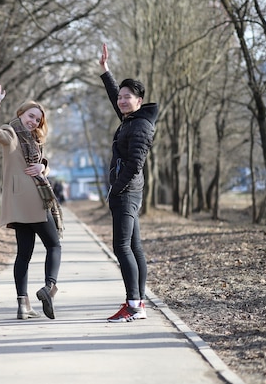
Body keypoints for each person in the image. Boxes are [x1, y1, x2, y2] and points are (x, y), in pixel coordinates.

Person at [0, 83, 64, 320]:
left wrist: (44, 166)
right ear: (20, 113)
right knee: (54, 245)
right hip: (32, 201)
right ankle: (49, 288)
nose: (34, 122)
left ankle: (23, 305)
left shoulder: (34, 141)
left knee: (24, 254)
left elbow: (37, 167)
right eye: (31, 116)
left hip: (19, 204)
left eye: (38, 120)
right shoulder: (11, 133)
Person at [98, 43, 159, 322]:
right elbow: (114, 98)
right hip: (129, 191)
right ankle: (138, 304)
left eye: (127, 97)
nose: (122, 100)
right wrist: (105, 71)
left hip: (127, 192)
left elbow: (136, 164)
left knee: (122, 247)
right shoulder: (130, 120)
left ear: (139, 100)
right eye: (120, 96)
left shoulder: (140, 126)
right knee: (134, 247)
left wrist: (116, 189)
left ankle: (133, 304)